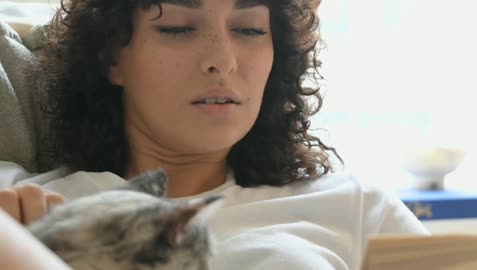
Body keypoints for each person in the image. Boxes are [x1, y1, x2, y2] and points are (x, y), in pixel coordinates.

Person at [0, 0, 430, 269]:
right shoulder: (23, 208)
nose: (222, 60)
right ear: (112, 58)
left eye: (249, 29)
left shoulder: (356, 208)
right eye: (177, 28)